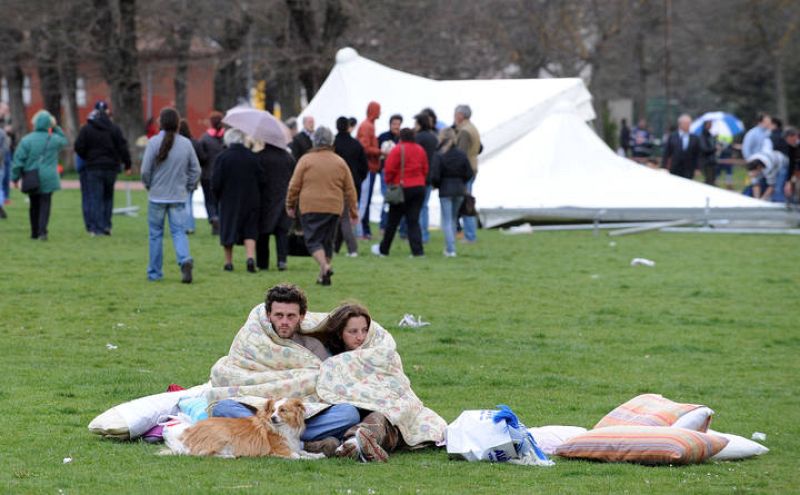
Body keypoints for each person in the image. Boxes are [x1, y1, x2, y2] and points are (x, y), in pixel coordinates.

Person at [210, 284, 363, 457]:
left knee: (349, 413)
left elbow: (328, 380)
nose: (284, 322)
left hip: (302, 414)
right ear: (269, 315)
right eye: (279, 315)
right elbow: (235, 370)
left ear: (302, 317)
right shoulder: (252, 339)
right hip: (264, 412)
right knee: (222, 407)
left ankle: (289, 440)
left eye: (291, 316)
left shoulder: (312, 346)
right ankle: (303, 442)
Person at [304, 303, 402, 461]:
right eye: (353, 332)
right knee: (349, 415)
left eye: (364, 330)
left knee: (383, 417)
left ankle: (353, 443)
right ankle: (348, 444)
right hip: (341, 410)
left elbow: (391, 383)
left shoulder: (374, 354)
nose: (361, 337)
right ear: (340, 333)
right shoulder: (328, 356)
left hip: (372, 411)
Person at [286, 127, 358, 286]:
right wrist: (353, 210)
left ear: (314, 141)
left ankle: (325, 266)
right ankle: (323, 276)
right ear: (331, 141)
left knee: (312, 241)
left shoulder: (306, 160)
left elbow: (294, 185)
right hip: (333, 207)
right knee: (327, 242)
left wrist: (290, 204)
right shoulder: (339, 161)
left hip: (310, 206)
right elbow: (350, 188)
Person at [140, 107, 201, 283]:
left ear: (161, 123)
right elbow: (195, 170)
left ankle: (154, 272)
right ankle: (184, 259)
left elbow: (145, 170)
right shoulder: (186, 144)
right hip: (178, 196)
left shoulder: (152, 143)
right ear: (177, 123)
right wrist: (188, 186)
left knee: (155, 235)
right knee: (179, 232)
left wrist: (149, 184)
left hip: (157, 196)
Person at [74, 100, 132, 236]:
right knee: (108, 197)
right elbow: (123, 147)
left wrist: (87, 157)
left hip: (93, 167)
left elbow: (78, 147)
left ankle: (96, 227)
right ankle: (106, 225)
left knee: (95, 197)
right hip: (111, 167)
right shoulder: (114, 129)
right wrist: (127, 164)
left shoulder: (87, 129)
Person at [212, 128, 266, 273]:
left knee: (228, 229)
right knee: (250, 230)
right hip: (251, 199)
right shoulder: (252, 157)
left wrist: (217, 197)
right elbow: (262, 179)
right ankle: (250, 258)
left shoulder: (222, 157)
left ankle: (228, 263)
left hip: (229, 200)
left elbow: (216, 182)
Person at [11, 110, 70, 239]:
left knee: (34, 205)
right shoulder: (54, 139)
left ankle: (34, 232)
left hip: (32, 176)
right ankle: (42, 231)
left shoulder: (27, 140)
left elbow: (18, 160)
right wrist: (55, 127)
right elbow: (64, 141)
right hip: (49, 177)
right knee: (45, 204)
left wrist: (15, 178)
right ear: (49, 124)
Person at [371, 128, 429, 257]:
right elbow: (425, 168)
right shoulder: (420, 149)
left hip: (402, 187)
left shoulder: (398, 149)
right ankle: (417, 252)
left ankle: (384, 249)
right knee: (413, 221)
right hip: (419, 187)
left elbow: (389, 169)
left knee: (392, 222)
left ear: (401, 138)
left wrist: (390, 183)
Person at [252, 137, 296, 271]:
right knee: (282, 231)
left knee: (263, 233)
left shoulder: (259, 157)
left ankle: (262, 262)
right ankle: (282, 260)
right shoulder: (289, 158)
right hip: (283, 198)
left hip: (264, 200)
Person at [431, 127, 473, 257]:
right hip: (459, 190)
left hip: (445, 190)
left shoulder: (439, 154)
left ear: (441, 138)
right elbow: (469, 173)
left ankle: (450, 249)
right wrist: (462, 182)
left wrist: (437, 185)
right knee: (454, 219)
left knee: (447, 221)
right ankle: (450, 246)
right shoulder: (461, 154)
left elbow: (435, 175)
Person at [333, 116, 368, 257]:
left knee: (342, 217)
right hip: (353, 185)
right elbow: (364, 167)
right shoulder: (356, 145)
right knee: (344, 215)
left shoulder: (333, 145)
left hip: (336, 185)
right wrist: (358, 179)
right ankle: (335, 247)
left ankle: (352, 248)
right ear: (348, 126)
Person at [454, 104, 480, 243]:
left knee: (466, 203)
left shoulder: (464, 131)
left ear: (460, 115)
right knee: (467, 201)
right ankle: (470, 234)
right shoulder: (473, 128)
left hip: (466, 170)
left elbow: (461, 154)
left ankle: (470, 236)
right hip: (473, 166)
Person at [357, 102, 382, 238]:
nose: (380, 112)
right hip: (368, 167)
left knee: (365, 200)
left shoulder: (369, 125)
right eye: (378, 110)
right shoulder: (367, 126)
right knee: (364, 200)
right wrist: (380, 151)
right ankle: (361, 230)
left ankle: (364, 230)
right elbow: (364, 147)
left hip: (371, 167)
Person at [199, 111, 225, 235]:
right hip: (223, 175)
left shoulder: (205, 138)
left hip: (207, 175)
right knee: (220, 199)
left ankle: (213, 217)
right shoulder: (226, 138)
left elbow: (201, 157)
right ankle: (220, 219)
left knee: (209, 200)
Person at [414, 112, 439, 244]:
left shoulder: (417, 138)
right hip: (429, 176)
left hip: (418, 177)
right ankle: (425, 235)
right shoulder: (433, 138)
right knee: (424, 206)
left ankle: (420, 234)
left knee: (418, 207)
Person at [178, 119, 204, 234]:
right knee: (189, 201)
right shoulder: (195, 142)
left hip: (180, 176)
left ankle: (185, 226)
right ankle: (190, 225)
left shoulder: (178, 143)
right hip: (192, 175)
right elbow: (202, 157)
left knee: (183, 203)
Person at [661, 114, 700, 179]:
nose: (688, 125)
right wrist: (664, 167)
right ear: (680, 124)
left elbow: (697, 154)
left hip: (689, 169)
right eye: (686, 123)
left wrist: (697, 168)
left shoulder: (695, 138)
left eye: (689, 123)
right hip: (674, 168)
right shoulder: (672, 136)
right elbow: (666, 153)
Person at [698, 120, 718, 185]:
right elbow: (704, 149)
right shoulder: (703, 136)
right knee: (709, 181)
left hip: (712, 161)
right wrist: (714, 148)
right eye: (709, 124)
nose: (711, 125)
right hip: (707, 162)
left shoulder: (710, 135)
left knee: (712, 180)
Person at [783, 128, 800, 204]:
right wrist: (788, 181)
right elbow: (791, 164)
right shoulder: (791, 146)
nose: (788, 142)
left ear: (794, 136)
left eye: (789, 140)